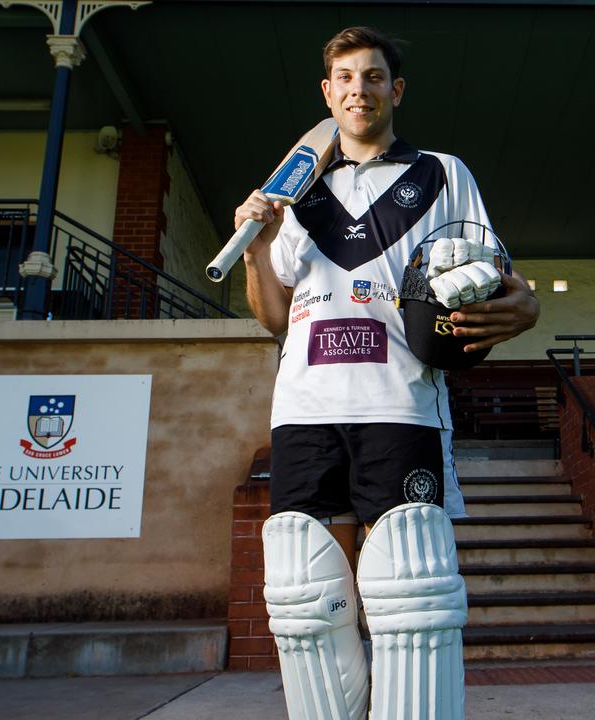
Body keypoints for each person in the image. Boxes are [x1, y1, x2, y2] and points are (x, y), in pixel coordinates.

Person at [235, 26, 538, 720]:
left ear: (394, 90)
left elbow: (491, 273)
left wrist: (526, 302)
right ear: (327, 92)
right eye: (344, 78)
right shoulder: (295, 195)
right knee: (308, 599)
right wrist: (255, 250)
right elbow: (274, 318)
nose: (357, 89)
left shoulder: (441, 172)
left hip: (398, 401)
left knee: (409, 595)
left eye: (372, 77)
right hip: (304, 407)